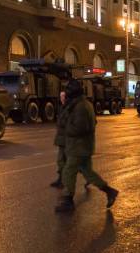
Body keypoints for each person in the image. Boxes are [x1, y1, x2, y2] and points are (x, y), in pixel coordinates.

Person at [56, 79, 119, 213]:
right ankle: (110, 191)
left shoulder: (81, 107)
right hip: (83, 147)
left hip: (79, 147)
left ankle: (68, 201)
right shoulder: (82, 104)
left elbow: (80, 128)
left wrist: (67, 128)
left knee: (68, 171)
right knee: (88, 173)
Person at [50, 91, 68, 188]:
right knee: (61, 160)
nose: (62, 98)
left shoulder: (69, 108)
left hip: (68, 139)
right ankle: (60, 179)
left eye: (64, 96)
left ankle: (88, 177)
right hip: (61, 139)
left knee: (68, 161)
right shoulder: (61, 108)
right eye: (61, 97)